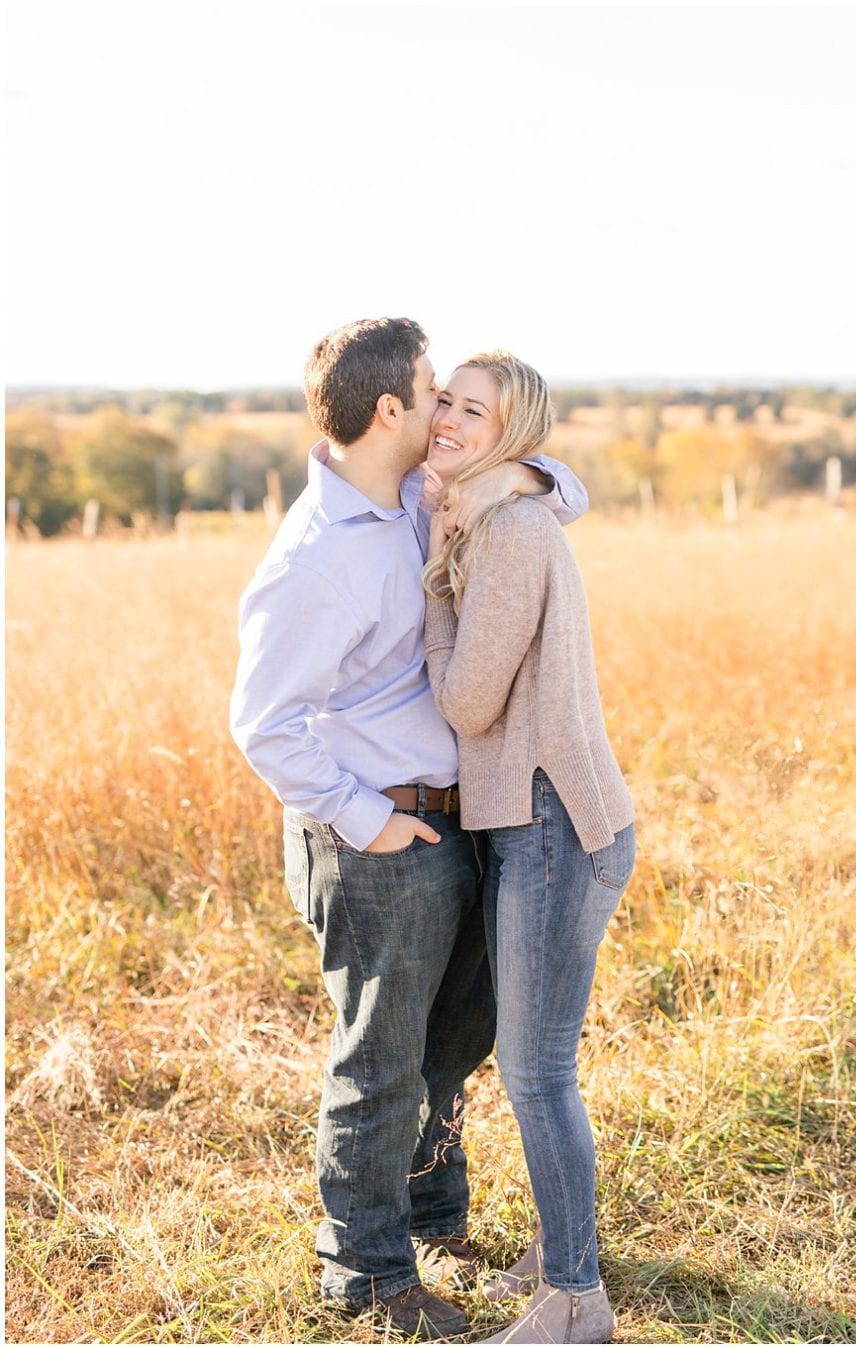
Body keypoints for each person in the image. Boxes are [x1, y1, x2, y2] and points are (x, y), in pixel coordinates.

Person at [230, 318, 588, 1339]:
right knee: (379, 1060)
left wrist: (525, 480)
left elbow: (557, 480)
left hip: (460, 817)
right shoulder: (313, 557)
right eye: (434, 389)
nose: (443, 406)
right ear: (390, 408)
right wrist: (364, 820)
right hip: (379, 835)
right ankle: (368, 1273)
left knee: (455, 1039)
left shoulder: (421, 499)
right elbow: (262, 721)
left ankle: (436, 1213)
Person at [420, 352, 636, 1345]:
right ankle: (557, 1258)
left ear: (513, 436)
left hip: (554, 823)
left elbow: (467, 700)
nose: (452, 421)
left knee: (537, 1073)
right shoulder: (510, 508)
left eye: (477, 411)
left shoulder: (507, 532)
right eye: (446, 403)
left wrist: (434, 575)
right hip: (545, 819)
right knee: (536, 1066)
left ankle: (576, 1299)